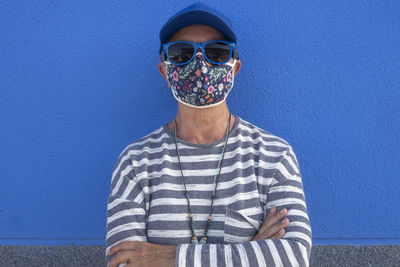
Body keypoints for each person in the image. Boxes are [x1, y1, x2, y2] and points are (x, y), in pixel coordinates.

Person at [105, 3, 312, 267]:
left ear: (234, 68)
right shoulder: (135, 163)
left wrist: (169, 257)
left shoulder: (274, 156)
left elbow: (293, 256)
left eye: (216, 52)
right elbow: (123, 262)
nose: (200, 65)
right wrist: (252, 251)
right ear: (165, 72)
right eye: (182, 53)